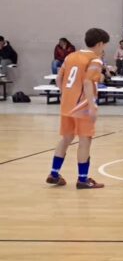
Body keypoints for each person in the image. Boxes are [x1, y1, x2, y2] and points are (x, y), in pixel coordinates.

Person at [45, 28, 109, 189]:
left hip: (66, 104)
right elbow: (87, 82)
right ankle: (82, 179)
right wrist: (92, 106)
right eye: (104, 45)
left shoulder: (70, 56)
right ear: (100, 44)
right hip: (82, 106)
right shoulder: (95, 60)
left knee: (66, 138)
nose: (104, 49)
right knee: (85, 140)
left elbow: (59, 78)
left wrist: (65, 94)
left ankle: (54, 173)